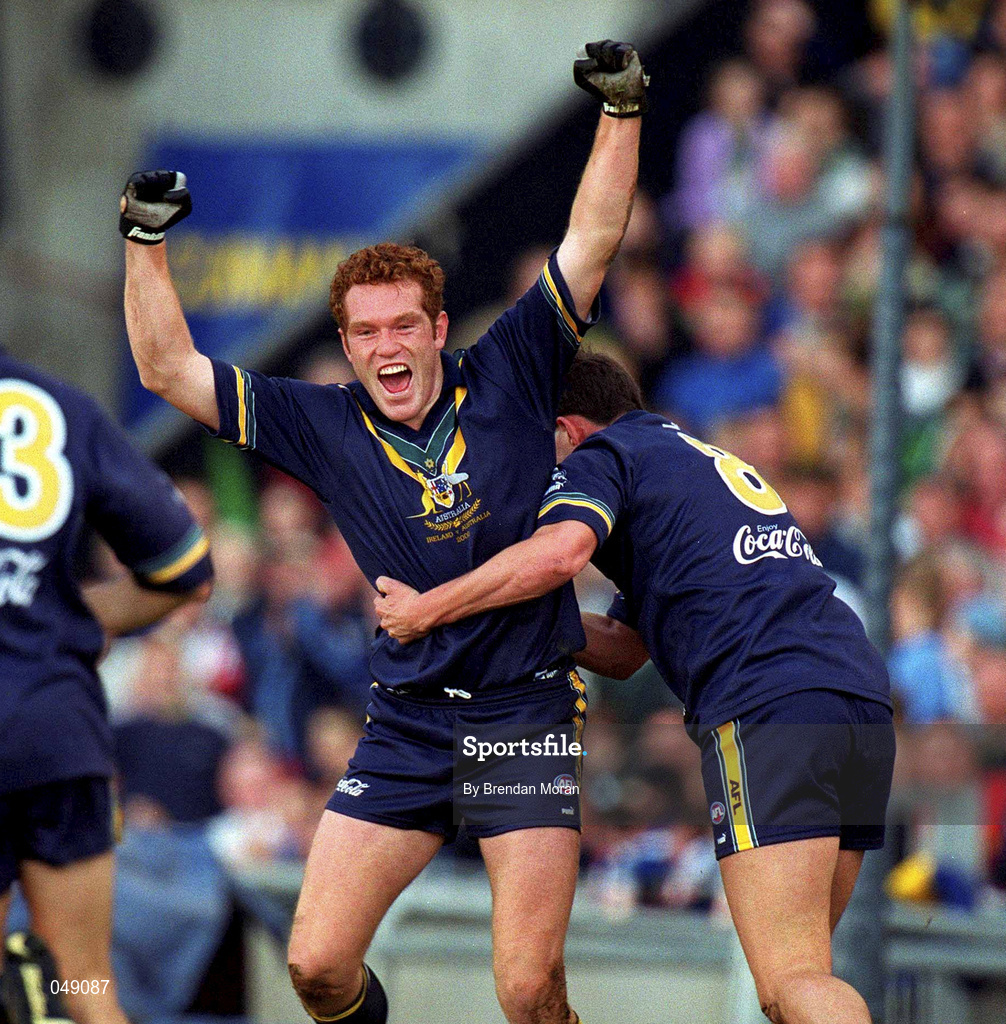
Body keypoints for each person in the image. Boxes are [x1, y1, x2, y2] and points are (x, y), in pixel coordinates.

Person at [119, 40, 646, 1024]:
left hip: (521, 711)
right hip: (408, 718)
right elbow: (168, 372)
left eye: (403, 325)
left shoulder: (511, 367)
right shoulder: (320, 421)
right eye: (364, 332)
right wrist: (143, 242)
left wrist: (621, 113)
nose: (385, 347)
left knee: (528, 986)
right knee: (315, 966)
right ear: (347, 345)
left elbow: (589, 240)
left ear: (438, 329)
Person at [375, 352, 895, 1024]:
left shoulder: (603, 455)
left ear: (566, 429)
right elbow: (623, 652)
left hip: (767, 702)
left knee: (792, 981)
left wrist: (435, 607)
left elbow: (559, 554)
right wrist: (505, 617)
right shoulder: (681, 458)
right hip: (855, 698)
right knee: (800, 984)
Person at [0, 350, 214, 1024]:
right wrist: (63, 617)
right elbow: (186, 572)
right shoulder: (61, 405)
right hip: (58, 732)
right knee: (87, 986)